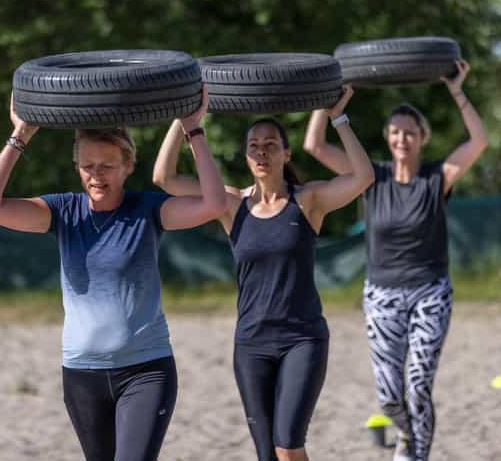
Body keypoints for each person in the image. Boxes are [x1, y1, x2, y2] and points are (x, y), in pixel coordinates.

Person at [0, 89, 226, 461]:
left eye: (107, 165)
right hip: (81, 374)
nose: (96, 175)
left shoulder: (147, 210)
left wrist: (194, 130)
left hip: (146, 370)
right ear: (77, 166)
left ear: (127, 166)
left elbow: (215, 204)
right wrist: (21, 133)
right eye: (88, 165)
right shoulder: (63, 212)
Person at [153, 87, 374, 461]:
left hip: (302, 338)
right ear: (245, 155)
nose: (262, 151)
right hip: (251, 343)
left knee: (288, 446)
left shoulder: (309, 200)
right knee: (266, 455)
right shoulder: (229, 203)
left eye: (271, 144)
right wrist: (184, 118)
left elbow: (363, 176)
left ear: (286, 153)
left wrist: (338, 117)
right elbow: (164, 177)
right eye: (254, 145)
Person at [304, 60, 487, 461]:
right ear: (387, 138)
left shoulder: (437, 178)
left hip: (430, 293)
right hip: (382, 296)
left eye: (410, 132)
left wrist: (457, 90)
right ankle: (405, 434)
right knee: (389, 396)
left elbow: (478, 142)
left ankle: (414, 454)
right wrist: (329, 98)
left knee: (418, 384)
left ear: (422, 138)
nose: (402, 138)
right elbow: (314, 146)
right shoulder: (373, 176)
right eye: (395, 132)